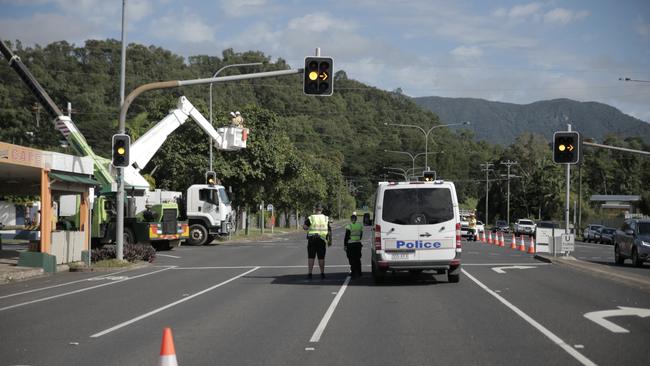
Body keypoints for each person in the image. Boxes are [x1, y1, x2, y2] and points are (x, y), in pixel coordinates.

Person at [303, 203, 331, 280]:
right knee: (321, 257)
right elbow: (329, 230)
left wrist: (306, 228)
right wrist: (329, 240)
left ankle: (310, 273)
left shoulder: (311, 217)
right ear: (321, 210)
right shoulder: (326, 218)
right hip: (322, 240)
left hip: (312, 239)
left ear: (315, 209)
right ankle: (322, 273)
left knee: (311, 257)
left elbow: (305, 227)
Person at [344, 212, 363, 278]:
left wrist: (345, 245)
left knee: (352, 259)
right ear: (356, 219)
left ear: (351, 219)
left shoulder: (349, 226)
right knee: (358, 258)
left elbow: (346, 236)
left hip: (350, 244)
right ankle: (359, 272)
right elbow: (361, 235)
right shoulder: (359, 225)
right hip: (358, 244)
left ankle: (353, 273)